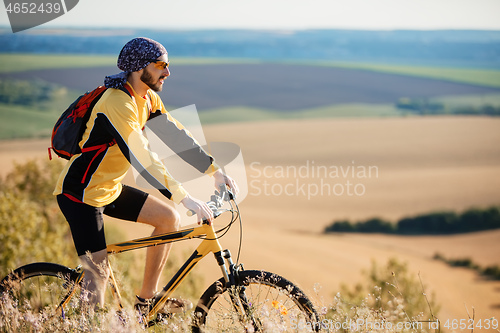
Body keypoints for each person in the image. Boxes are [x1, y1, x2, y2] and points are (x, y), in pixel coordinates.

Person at [53, 37, 238, 315]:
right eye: (161, 65)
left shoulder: (147, 98)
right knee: (98, 276)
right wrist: (184, 197)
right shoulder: (117, 103)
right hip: (80, 195)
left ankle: (146, 302)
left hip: (109, 189)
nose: (168, 72)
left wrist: (214, 171)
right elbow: (144, 159)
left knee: (168, 219)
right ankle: (85, 325)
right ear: (140, 68)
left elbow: (176, 137)